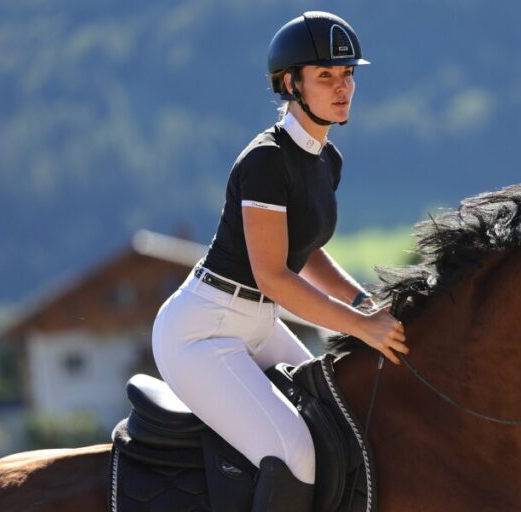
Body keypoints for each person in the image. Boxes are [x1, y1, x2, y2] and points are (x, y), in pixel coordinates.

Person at [151, 11, 407, 511]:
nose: (343, 87)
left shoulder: (324, 159)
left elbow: (304, 250)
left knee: (338, 415)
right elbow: (273, 274)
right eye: (326, 76)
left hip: (257, 323)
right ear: (292, 84)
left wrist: (361, 299)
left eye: (349, 73)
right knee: (294, 452)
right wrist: (360, 326)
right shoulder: (265, 160)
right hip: (200, 333)